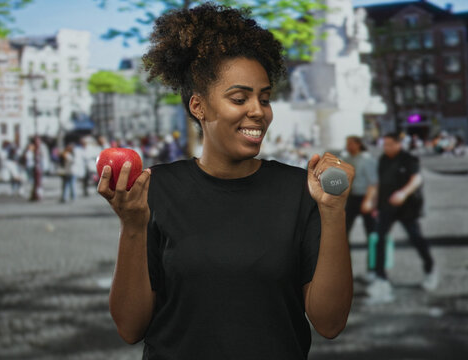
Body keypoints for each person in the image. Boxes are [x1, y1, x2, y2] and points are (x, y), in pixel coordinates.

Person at [97, 4, 354, 359]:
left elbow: (330, 322)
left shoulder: (301, 191)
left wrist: (333, 212)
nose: (258, 111)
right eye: (239, 97)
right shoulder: (156, 188)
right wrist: (133, 226)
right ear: (199, 106)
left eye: (264, 98)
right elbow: (129, 328)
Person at [365, 132, 437, 304]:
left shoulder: (408, 158)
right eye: (384, 144)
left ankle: (430, 269)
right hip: (386, 207)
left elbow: (416, 179)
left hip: (407, 207)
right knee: (381, 239)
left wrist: (403, 193)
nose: (386, 147)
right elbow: (379, 183)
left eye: (389, 144)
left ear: (398, 144)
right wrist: (374, 203)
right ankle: (381, 277)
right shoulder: (383, 159)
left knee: (415, 238)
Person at [342, 135, 378, 280]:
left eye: (350, 144)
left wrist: (368, 201)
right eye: (347, 143)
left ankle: (373, 269)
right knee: (342, 234)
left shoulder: (367, 160)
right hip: (352, 198)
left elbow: (374, 183)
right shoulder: (347, 159)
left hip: (366, 198)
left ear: (358, 144)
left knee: (371, 234)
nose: (348, 146)